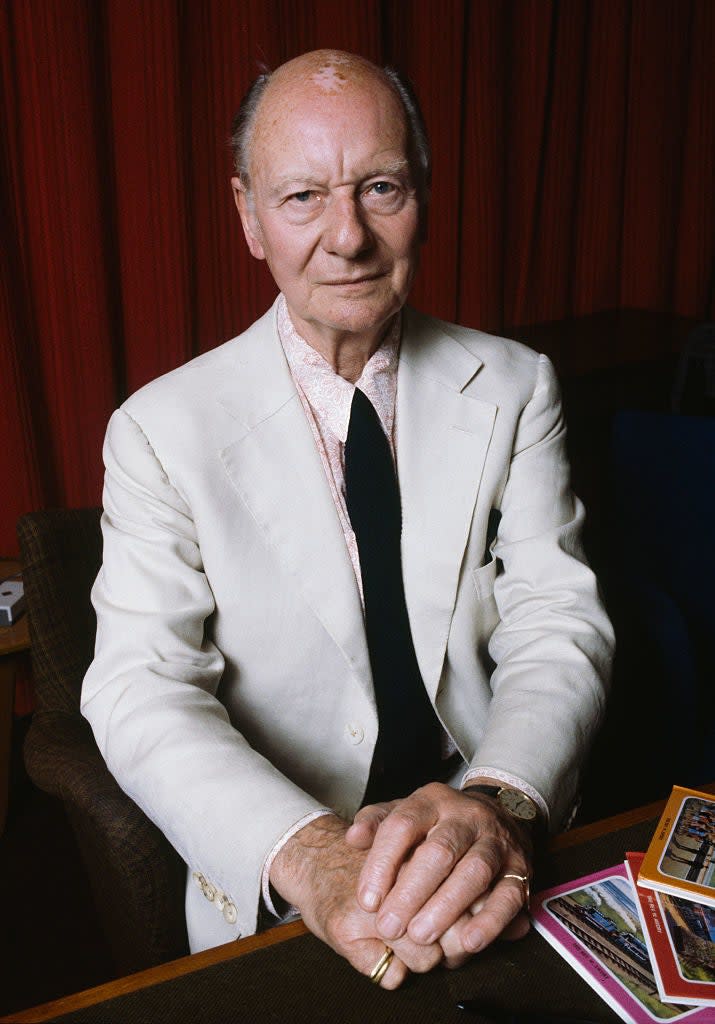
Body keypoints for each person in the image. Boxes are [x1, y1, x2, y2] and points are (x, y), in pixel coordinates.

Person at [81, 49, 614, 989]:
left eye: (379, 187)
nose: (348, 237)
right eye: (302, 198)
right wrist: (314, 857)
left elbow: (555, 619)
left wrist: (495, 804)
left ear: (424, 193)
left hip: (489, 839)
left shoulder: (519, 384)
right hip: (291, 868)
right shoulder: (159, 431)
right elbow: (140, 691)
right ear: (247, 214)